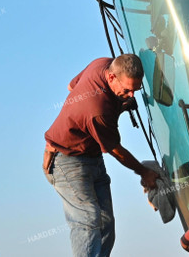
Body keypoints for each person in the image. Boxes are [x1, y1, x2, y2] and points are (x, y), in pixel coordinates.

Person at [43, 54, 160, 257]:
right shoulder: (98, 110)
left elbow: (72, 87)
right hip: (67, 162)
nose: (131, 95)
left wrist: (117, 103)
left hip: (92, 157)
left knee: (106, 225)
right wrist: (144, 172)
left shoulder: (102, 64)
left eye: (135, 90)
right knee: (87, 221)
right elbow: (115, 150)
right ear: (112, 77)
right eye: (127, 90)